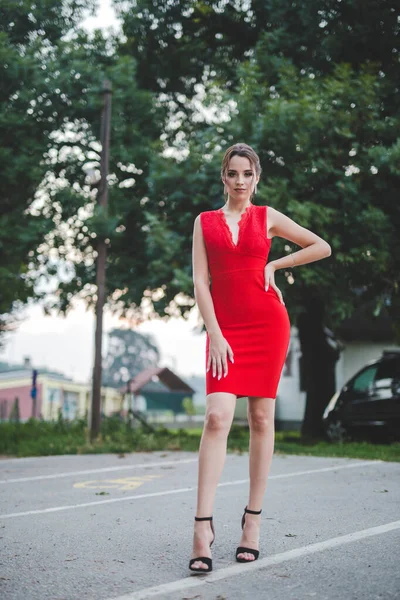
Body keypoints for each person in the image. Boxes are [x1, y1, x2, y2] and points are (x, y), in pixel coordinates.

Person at [189, 142, 331, 573]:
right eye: (232, 173)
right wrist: (214, 333)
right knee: (217, 417)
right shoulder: (205, 222)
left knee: (261, 419)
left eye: (247, 174)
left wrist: (275, 266)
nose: (239, 181)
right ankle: (202, 528)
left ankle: (252, 522)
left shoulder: (267, 217)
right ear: (223, 176)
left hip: (268, 324)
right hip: (224, 329)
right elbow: (200, 282)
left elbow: (320, 245)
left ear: (256, 177)